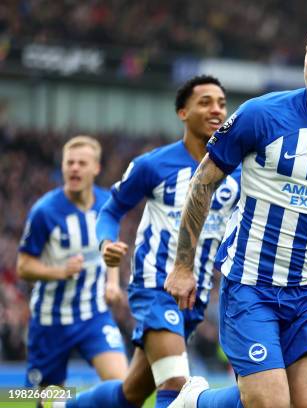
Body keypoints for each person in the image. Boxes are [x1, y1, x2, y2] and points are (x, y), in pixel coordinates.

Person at [166, 21, 307, 408]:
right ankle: (196, 402)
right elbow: (202, 183)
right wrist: (183, 266)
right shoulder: (261, 114)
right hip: (250, 284)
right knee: (268, 404)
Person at [66, 75, 239, 408]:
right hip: (155, 286)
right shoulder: (153, 165)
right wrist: (105, 244)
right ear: (182, 112)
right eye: (205, 102)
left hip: (195, 296)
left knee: (130, 393)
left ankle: (61, 405)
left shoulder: (236, 173)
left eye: (221, 103)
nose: (216, 109)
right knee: (176, 383)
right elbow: (110, 210)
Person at [17, 136, 128, 391]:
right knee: (44, 398)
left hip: (93, 315)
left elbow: (110, 247)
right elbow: (23, 267)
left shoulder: (106, 205)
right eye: (69, 163)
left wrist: (112, 284)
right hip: (50, 320)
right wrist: (60, 271)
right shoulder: (44, 211)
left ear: (96, 168)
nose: (74, 168)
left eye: (81, 163)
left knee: (123, 389)